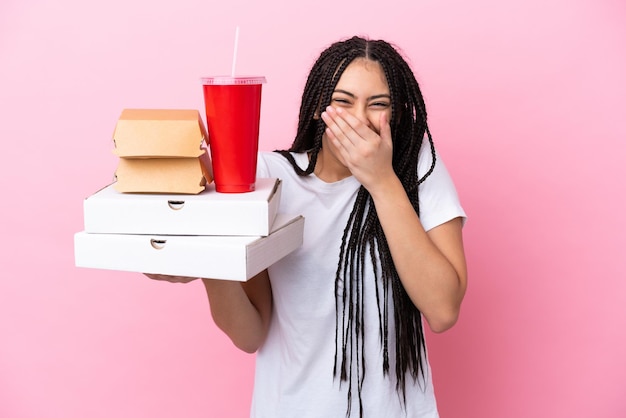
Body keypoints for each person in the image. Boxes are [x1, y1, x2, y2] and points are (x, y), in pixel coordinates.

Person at [147, 35, 467, 418]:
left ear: (395, 115)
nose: (359, 119)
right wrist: (212, 259)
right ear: (319, 106)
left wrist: (381, 181)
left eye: (377, 105)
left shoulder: (414, 168)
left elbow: (443, 311)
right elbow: (250, 334)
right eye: (343, 102)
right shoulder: (268, 179)